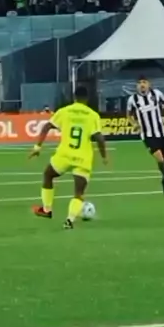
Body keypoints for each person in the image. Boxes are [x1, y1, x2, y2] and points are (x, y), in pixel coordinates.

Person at [29, 85, 108, 229]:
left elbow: (47, 126)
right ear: (87, 99)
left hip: (65, 155)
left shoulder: (64, 111)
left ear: (74, 97)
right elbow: (99, 138)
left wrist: (37, 147)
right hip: (83, 158)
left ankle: (47, 209)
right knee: (78, 193)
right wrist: (104, 156)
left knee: (48, 175)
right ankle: (69, 221)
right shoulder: (92, 115)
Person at [127, 76, 164, 197]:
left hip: (161, 132)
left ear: (149, 84)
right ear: (137, 86)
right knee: (160, 159)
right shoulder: (133, 100)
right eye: (139, 83)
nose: (142, 85)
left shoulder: (156, 94)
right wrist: (134, 124)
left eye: (144, 82)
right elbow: (129, 115)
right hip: (147, 135)